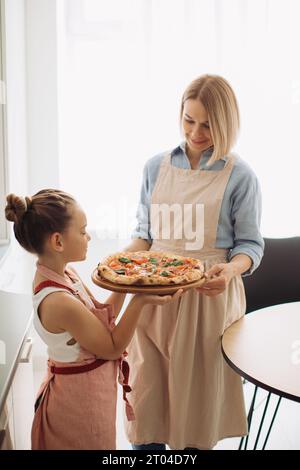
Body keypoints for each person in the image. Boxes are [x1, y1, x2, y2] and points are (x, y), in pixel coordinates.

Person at [124, 74, 264, 450]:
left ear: (225, 123)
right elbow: (145, 236)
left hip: (207, 299)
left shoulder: (241, 177)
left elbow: (250, 245)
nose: (196, 132)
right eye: (189, 120)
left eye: (207, 124)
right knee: (147, 402)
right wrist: (121, 263)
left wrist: (231, 270)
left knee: (196, 414)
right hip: (153, 300)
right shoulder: (155, 167)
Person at [5, 189, 184, 450]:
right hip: (75, 408)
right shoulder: (58, 301)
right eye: (83, 231)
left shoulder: (66, 274)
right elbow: (112, 348)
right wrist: (141, 300)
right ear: (58, 242)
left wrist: (131, 281)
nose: (88, 237)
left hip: (90, 397)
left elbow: (99, 324)